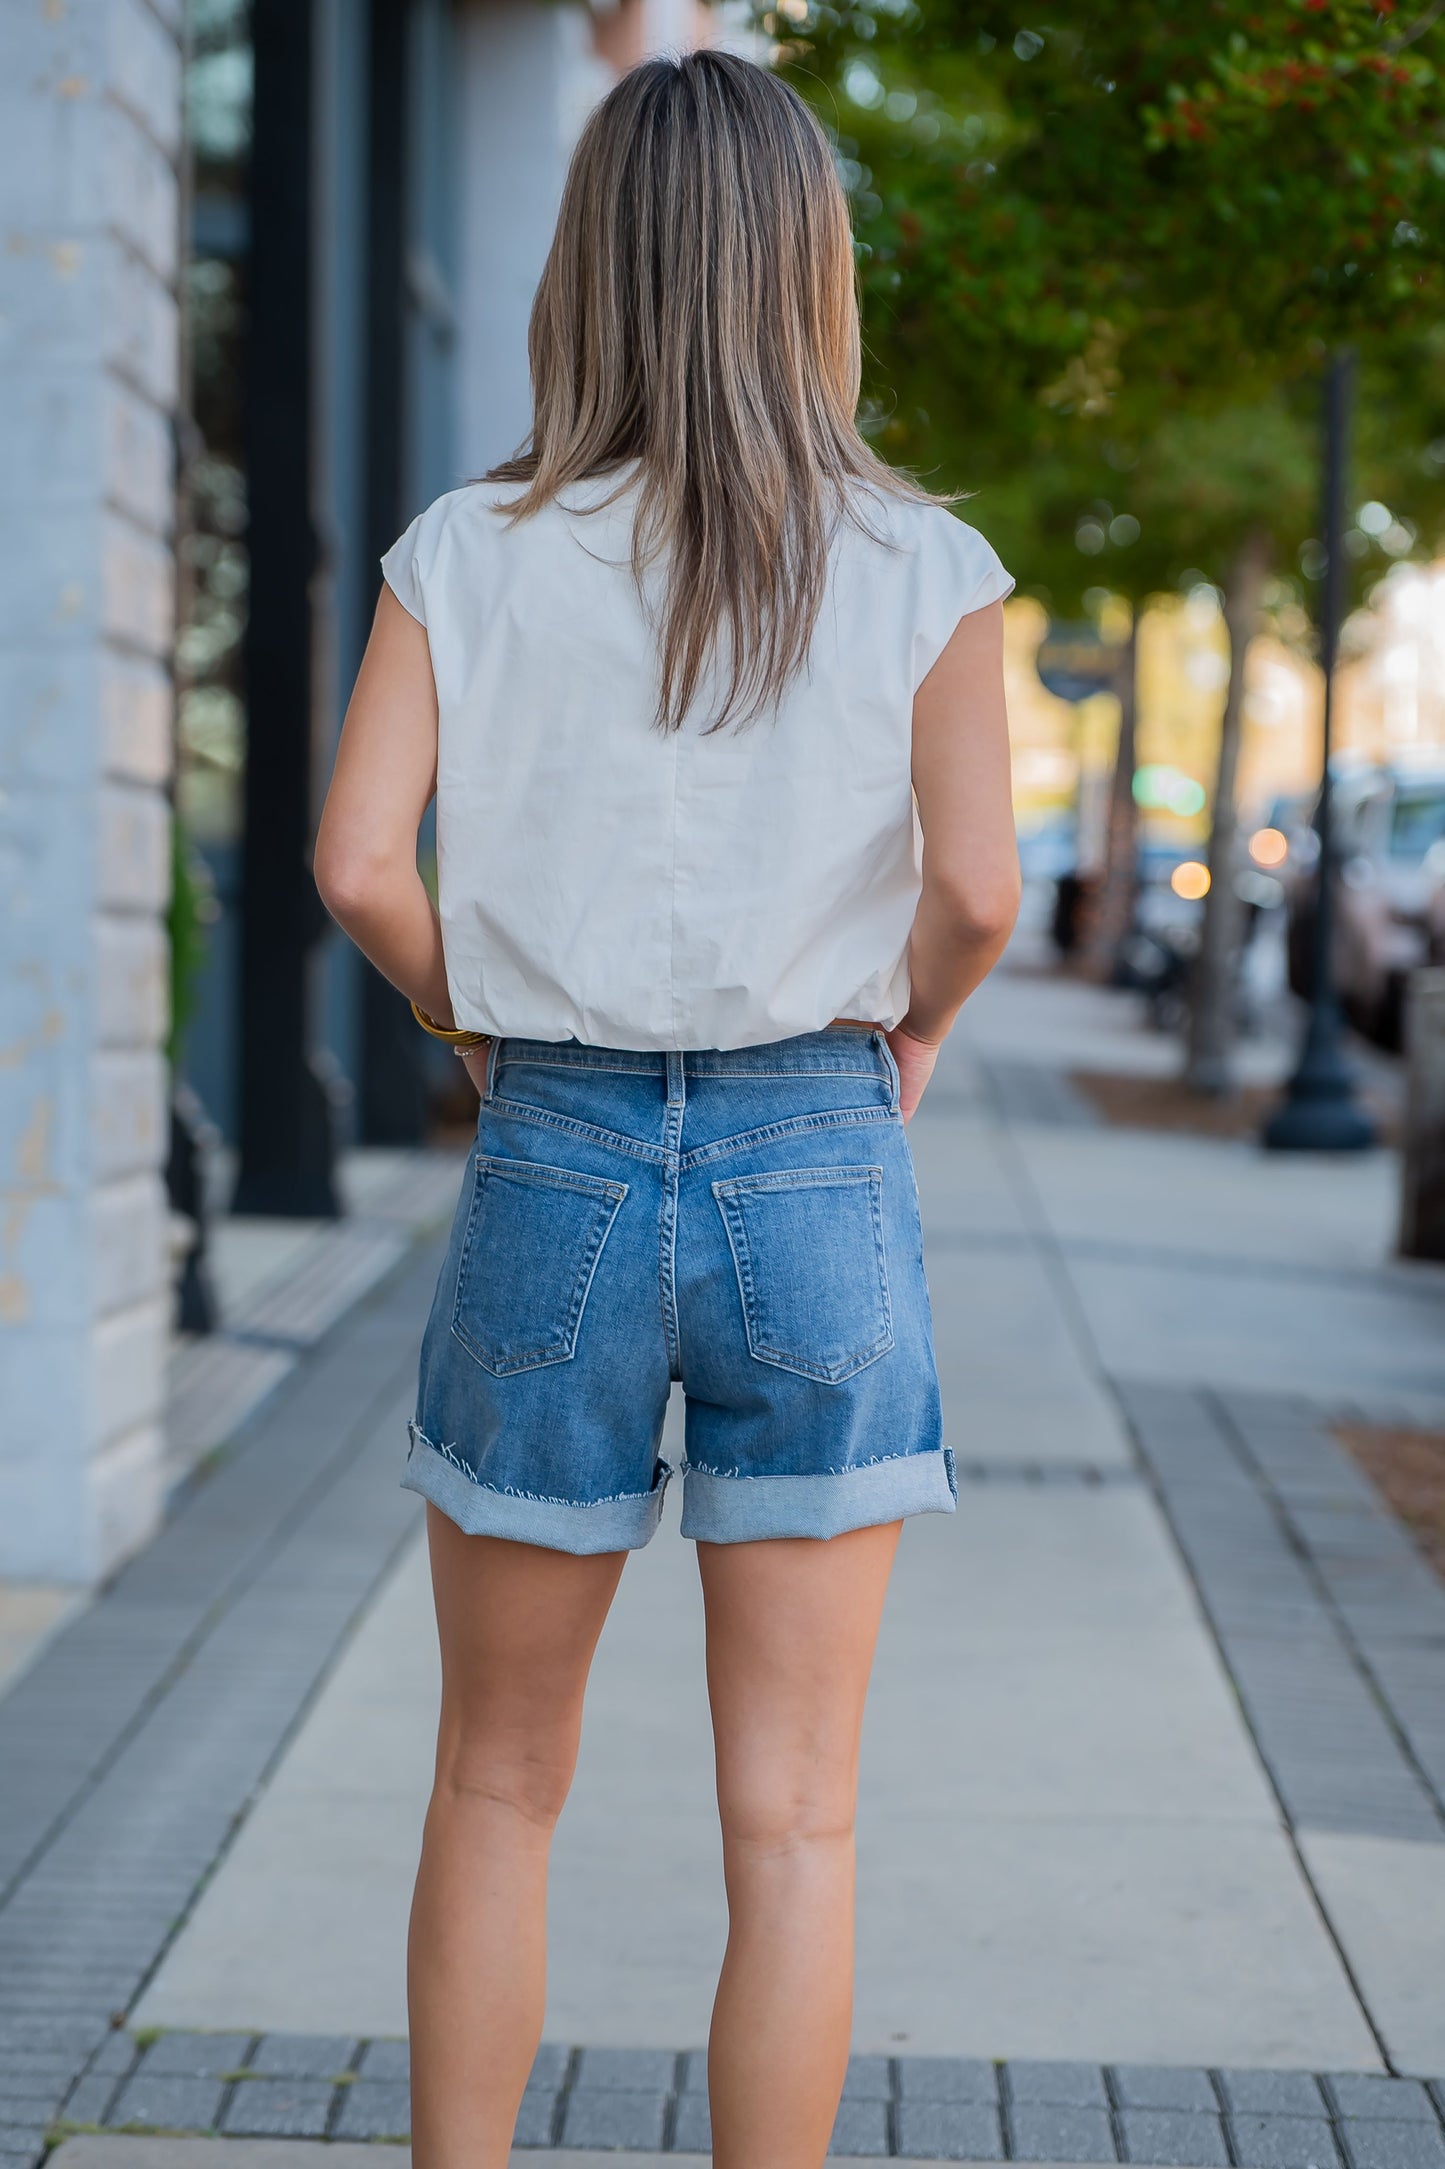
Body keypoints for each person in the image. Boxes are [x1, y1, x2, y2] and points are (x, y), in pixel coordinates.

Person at [315, 49, 1018, 2169]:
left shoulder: (467, 550)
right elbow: (978, 889)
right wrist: (909, 1036)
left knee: (495, 1777)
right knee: (794, 1814)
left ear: (583, 270)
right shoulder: (927, 563)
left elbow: (357, 862)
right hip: (820, 1155)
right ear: (812, 269)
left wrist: (475, 1027)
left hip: (558, 1156)